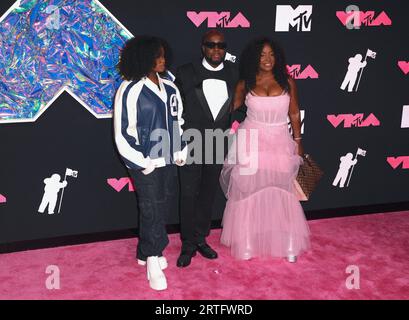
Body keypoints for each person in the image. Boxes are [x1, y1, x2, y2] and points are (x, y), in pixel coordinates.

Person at [220, 37, 310, 263]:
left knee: (283, 192)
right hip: (252, 140)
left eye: (271, 54)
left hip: (280, 140)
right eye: (262, 55)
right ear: (254, 58)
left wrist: (298, 140)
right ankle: (247, 240)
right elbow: (231, 109)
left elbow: (294, 114)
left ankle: (289, 241)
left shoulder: (288, 82)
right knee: (249, 192)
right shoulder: (245, 83)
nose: (268, 59)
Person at [113, 36, 187, 290]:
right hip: (144, 163)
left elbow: (179, 122)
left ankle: (145, 252)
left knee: (159, 207)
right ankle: (153, 261)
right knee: (152, 208)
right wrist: (142, 161)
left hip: (168, 160)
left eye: (164, 55)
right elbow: (123, 132)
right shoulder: (130, 88)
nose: (163, 60)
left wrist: (181, 149)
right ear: (143, 57)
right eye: (157, 55)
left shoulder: (170, 87)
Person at [175, 30, 239, 267]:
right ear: (203, 47)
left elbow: (240, 105)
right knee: (189, 194)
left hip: (218, 142)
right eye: (211, 45)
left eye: (221, 46)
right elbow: (175, 111)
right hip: (190, 142)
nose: (216, 50)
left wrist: (233, 127)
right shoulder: (185, 72)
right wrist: (178, 144)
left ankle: (201, 239)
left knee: (208, 193)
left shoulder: (234, 72)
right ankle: (187, 244)